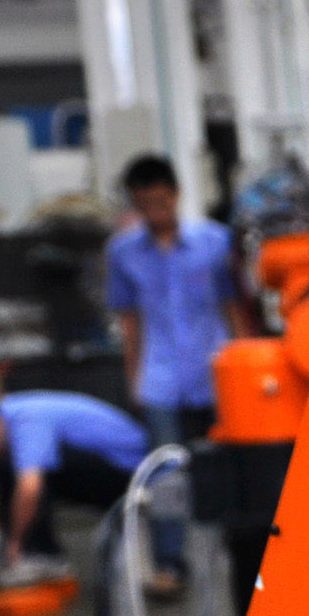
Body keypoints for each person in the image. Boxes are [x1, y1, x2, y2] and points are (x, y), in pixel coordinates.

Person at [105, 153, 246, 575]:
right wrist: (134, 379)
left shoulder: (215, 242)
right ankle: (171, 562)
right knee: (165, 470)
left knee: (225, 461)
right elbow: (130, 321)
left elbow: (234, 307)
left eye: (161, 203)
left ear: (177, 195)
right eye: (144, 205)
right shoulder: (123, 252)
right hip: (160, 376)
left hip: (214, 370)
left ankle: (236, 551)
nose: (155, 213)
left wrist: (244, 364)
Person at [0, 394, 150, 585]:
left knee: (24, 473)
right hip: (104, 471)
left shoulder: (27, 419)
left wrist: (16, 543)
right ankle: (29, 555)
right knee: (7, 469)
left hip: (133, 474)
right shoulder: (5, 424)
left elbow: (30, 487)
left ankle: (40, 556)